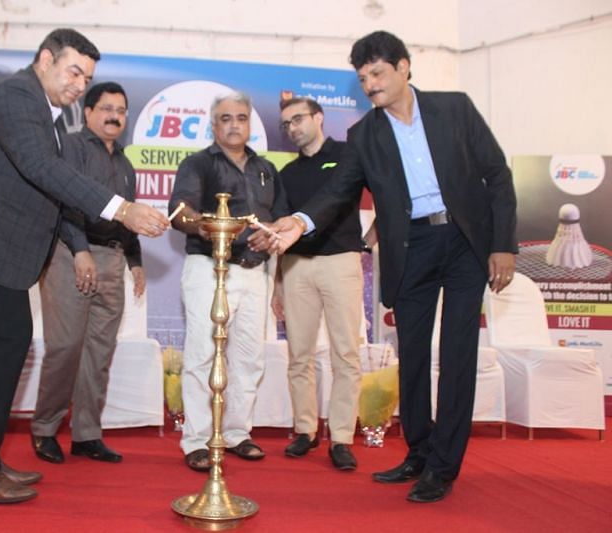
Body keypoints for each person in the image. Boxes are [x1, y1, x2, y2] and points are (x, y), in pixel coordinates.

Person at [251, 30, 516, 503]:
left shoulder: (455, 108)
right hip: (411, 246)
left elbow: (496, 173)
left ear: (403, 67)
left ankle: (443, 465)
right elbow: (338, 192)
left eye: (377, 73)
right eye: (362, 77)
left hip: (464, 242)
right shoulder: (364, 135)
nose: (370, 84)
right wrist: (299, 221)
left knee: (456, 355)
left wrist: (503, 245)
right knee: (411, 354)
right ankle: (418, 449)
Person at [0, 29, 168, 504]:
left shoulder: (48, 113)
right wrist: (121, 209)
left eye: (88, 77)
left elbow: (53, 186)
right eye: (73, 71)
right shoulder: (16, 95)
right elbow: (42, 169)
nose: (80, 85)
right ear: (44, 59)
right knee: (7, 341)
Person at [168, 91, 286, 472]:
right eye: (225, 118)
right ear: (213, 124)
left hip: (257, 272)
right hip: (208, 269)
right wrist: (211, 228)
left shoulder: (266, 167)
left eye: (241, 117)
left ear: (250, 122)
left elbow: (281, 220)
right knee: (202, 355)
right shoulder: (198, 164)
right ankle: (197, 440)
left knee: (249, 359)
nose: (234, 124)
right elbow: (180, 211)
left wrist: (272, 235)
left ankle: (237, 432)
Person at [31, 82, 142, 465]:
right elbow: (63, 201)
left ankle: (87, 434)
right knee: (65, 347)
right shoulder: (72, 147)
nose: (114, 115)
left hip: (112, 259)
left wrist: (135, 261)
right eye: (106, 108)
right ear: (89, 112)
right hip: (70, 255)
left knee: (99, 352)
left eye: (121, 110)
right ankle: (45, 429)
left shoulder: (126, 164)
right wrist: (79, 251)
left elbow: (127, 214)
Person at [273, 97, 364, 471]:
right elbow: (280, 227)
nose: (293, 127)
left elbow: (388, 196)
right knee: (299, 355)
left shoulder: (348, 156)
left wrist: (373, 239)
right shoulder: (287, 173)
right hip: (296, 266)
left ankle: (341, 437)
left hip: (341, 262)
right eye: (287, 123)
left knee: (346, 354)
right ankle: (305, 430)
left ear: (319, 118)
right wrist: (278, 281)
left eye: (298, 119)